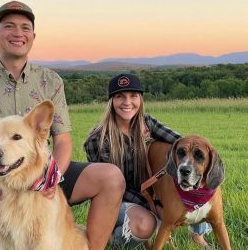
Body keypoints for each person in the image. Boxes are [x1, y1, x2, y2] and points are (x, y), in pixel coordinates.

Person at [0, 1, 125, 250]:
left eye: (25, 27)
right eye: (8, 26)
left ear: (33, 36)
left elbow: (62, 140)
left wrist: (54, 178)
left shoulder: (50, 81)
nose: (17, 33)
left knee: (111, 177)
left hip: (44, 175)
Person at [84, 73, 212, 249]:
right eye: (119, 96)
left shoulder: (147, 123)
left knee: (193, 179)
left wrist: (202, 161)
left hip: (146, 192)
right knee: (146, 224)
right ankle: (114, 239)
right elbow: (110, 187)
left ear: (140, 99)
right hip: (115, 198)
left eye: (133, 96)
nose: (127, 102)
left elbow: (181, 142)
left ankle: (198, 233)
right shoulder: (97, 140)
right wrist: (153, 205)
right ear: (111, 101)